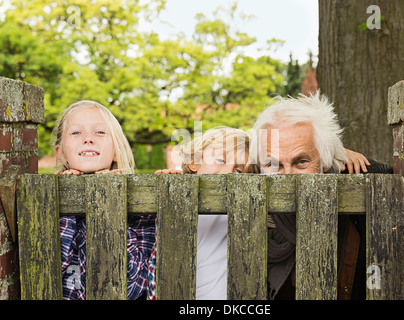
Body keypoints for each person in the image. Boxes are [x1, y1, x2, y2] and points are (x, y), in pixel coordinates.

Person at [249, 92, 392, 300]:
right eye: (274, 164)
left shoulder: (362, 186)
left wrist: (339, 154)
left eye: (301, 162)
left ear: (325, 161)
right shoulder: (251, 195)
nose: (288, 176)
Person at [53, 100, 156, 299]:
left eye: (100, 132)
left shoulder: (141, 209)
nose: (88, 139)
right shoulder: (48, 202)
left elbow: (132, 287)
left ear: (117, 149)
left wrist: (112, 205)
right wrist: (65, 205)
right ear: (61, 153)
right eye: (76, 133)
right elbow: (47, 268)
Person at [149, 126, 257, 300]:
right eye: (221, 160)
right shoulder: (179, 202)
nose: (228, 173)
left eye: (239, 170)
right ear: (194, 162)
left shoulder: (242, 213)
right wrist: (169, 186)